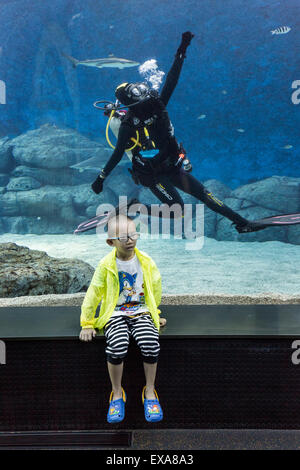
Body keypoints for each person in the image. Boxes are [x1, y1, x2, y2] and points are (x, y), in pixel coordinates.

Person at [91, 32, 269, 233]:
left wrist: (182, 50)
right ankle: (133, 207)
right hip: (150, 173)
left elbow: (172, 79)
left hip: (173, 165)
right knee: (177, 212)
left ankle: (242, 223)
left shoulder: (157, 104)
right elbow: (117, 154)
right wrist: (101, 178)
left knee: (206, 195)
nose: (145, 101)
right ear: (130, 102)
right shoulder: (128, 124)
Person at [79, 214, 166, 423]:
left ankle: (150, 391)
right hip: (115, 313)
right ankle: (117, 393)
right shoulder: (106, 265)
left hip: (142, 311)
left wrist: (156, 313)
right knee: (117, 347)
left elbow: (155, 287)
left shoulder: (145, 261)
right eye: (124, 237)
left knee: (150, 344)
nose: (130, 240)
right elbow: (94, 293)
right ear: (111, 242)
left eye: (134, 234)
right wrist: (88, 322)